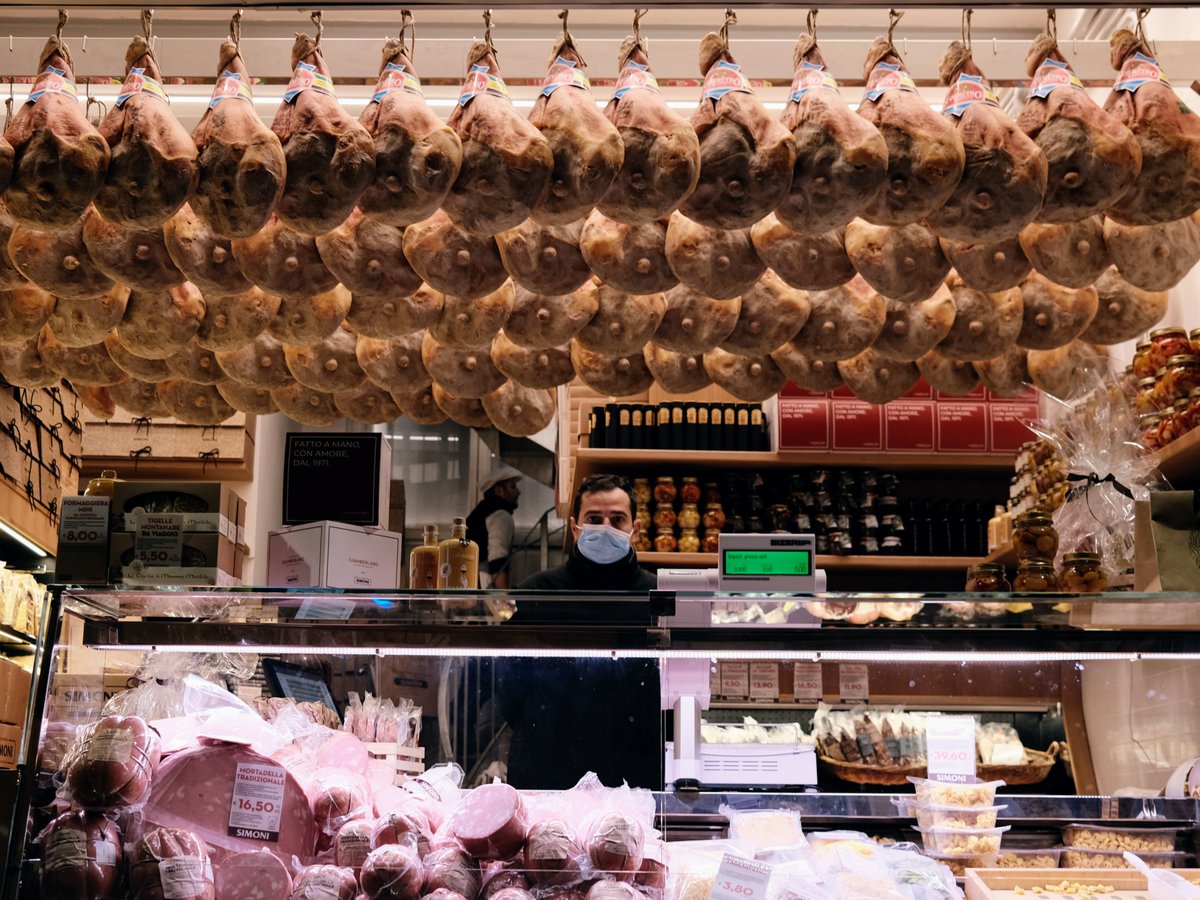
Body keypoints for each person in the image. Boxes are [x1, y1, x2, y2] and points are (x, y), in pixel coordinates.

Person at [497, 473, 662, 790]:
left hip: (634, 777)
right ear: (575, 527)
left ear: (635, 530)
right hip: (546, 771)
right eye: (594, 518)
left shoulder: (659, 596)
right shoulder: (536, 592)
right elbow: (509, 686)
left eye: (617, 520)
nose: (605, 528)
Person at [466, 465, 521, 589]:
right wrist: (503, 600)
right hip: (483, 586)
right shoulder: (500, 515)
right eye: (512, 487)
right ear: (499, 491)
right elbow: (498, 560)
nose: (518, 492)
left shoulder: (479, 512)